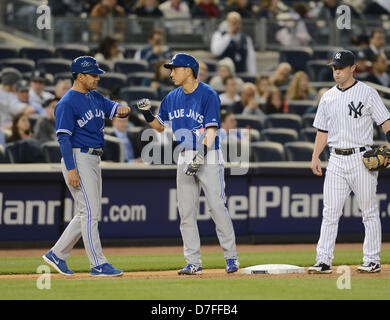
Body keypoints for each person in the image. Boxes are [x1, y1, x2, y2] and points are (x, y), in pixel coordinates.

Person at [136, 53, 239, 275]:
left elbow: (212, 129)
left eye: (175, 68)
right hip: (183, 154)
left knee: (216, 207)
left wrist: (201, 154)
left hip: (208, 153)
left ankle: (231, 257)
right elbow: (160, 126)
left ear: (188, 70)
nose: (171, 72)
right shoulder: (170, 97)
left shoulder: (208, 94)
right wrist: (146, 114)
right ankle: (193, 262)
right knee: (186, 212)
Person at [42, 56, 130, 277]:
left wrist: (123, 108)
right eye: (93, 74)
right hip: (77, 157)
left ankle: (57, 254)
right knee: (90, 213)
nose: (96, 78)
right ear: (80, 76)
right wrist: (71, 169)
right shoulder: (66, 103)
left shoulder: (95, 96)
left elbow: (114, 108)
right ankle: (98, 264)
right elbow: (63, 139)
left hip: (93, 158)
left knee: (86, 212)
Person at [308, 50, 390, 274]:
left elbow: (385, 121)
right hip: (335, 159)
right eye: (334, 67)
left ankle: (372, 260)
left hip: (361, 158)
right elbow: (322, 130)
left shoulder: (368, 93)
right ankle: (323, 260)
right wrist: (316, 156)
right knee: (330, 212)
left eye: (341, 67)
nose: (336, 71)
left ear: (353, 68)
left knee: (369, 212)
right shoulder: (328, 96)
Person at [210, 11, 257, 76]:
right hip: (224, 76)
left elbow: (250, 59)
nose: (236, 25)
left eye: (238, 22)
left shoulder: (246, 38)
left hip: (241, 74)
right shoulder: (219, 35)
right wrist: (228, 35)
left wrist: (253, 75)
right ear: (227, 22)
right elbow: (216, 52)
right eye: (234, 22)